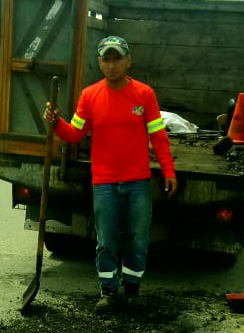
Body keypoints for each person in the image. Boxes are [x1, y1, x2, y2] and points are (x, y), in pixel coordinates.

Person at [43, 35, 178, 312]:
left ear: (128, 61)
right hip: (104, 183)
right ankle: (108, 293)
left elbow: (158, 137)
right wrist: (56, 123)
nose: (112, 65)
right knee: (106, 242)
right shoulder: (89, 95)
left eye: (117, 58)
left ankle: (132, 292)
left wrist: (168, 170)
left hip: (137, 182)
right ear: (100, 62)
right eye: (107, 59)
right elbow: (75, 133)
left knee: (138, 241)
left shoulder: (144, 94)